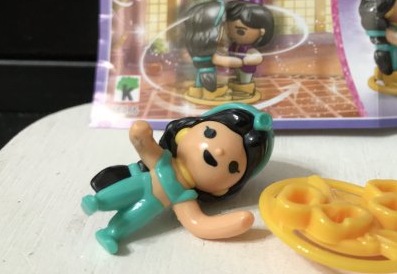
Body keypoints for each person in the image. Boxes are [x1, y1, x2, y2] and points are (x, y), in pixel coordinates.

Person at [81, 103, 274, 254]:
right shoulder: (163, 161)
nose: (219, 151)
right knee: (123, 190)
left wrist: (236, 223)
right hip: (142, 181)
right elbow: (145, 147)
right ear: (184, 133)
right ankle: (97, 201)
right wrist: (140, 135)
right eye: (210, 133)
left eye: (232, 166)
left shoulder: (184, 197)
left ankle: (110, 233)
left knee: (134, 217)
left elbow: (199, 225)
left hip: (152, 205)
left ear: (222, 189)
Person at [212, 0, 275, 98]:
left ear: (261, 32)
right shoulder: (233, 45)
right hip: (236, 67)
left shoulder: (248, 49)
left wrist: (246, 60)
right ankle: (238, 85)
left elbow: (258, 57)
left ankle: (246, 88)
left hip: (246, 69)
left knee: (245, 79)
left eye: (240, 31)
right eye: (229, 29)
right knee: (236, 77)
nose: (232, 34)